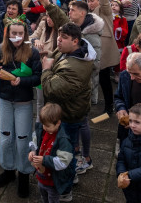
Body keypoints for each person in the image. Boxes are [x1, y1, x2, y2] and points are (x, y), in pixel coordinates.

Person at [41, 22, 95, 201]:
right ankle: (71, 177)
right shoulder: (73, 51)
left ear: (75, 41)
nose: (59, 40)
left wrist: (46, 69)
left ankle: (65, 190)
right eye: (59, 36)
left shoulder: (75, 67)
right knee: (67, 150)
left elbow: (52, 90)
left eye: (63, 38)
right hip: (69, 111)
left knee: (66, 154)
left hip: (69, 115)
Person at [0, 19, 42, 198]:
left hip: (23, 102)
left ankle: (24, 174)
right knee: (5, 137)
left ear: (25, 34)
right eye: (13, 33)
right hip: (5, 100)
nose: (17, 37)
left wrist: (22, 81)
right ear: (7, 34)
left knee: (22, 138)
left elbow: (38, 77)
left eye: (20, 33)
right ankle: (9, 170)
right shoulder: (0, 49)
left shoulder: (32, 53)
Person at [29, 103, 75, 203]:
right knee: (43, 197)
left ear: (58, 123)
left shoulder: (63, 140)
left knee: (53, 200)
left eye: (47, 126)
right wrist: (32, 152)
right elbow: (34, 141)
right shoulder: (43, 129)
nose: (44, 127)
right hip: (41, 177)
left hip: (53, 181)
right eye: (43, 124)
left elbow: (63, 162)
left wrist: (44, 160)